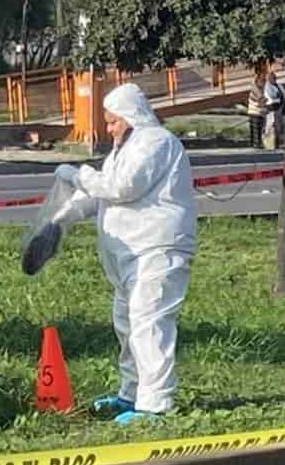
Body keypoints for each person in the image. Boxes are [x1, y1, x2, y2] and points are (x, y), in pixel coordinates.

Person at [54, 84, 197, 424]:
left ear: (132, 116)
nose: (109, 128)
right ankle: (130, 394)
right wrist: (62, 221)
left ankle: (156, 405)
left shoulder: (155, 142)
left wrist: (77, 174)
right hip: (130, 254)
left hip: (156, 248)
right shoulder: (125, 148)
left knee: (149, 324)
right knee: (127, 324)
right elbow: (101, 192)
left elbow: (121, 187)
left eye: (113, 121)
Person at [245, 71, 267, 150]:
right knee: (256, 129)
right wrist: (266, 101)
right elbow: (261, 99)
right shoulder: (255, 89)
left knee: (259, 129)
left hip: (259, 112)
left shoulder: (260, 88)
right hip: (255, 111)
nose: (264, 83)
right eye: (263, 81)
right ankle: (256, 144)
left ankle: (255, 143)